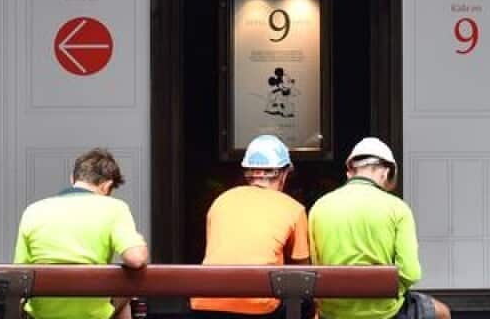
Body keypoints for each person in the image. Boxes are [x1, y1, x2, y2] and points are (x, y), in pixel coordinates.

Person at [308, 137, 451, 319]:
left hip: (333, 312)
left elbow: (313, 267)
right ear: (385, 173)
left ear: (350, 173)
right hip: (385, 312)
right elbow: (410, 273)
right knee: (442, 313)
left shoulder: (319, 207)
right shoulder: (397, 208)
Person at [14, 148, 149, 319]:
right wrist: (139, 242)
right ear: (107, 186)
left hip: (42, 314)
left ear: (73, 178)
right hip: (92, 314)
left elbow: (18, 273)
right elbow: (136, 259)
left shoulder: (32, 210)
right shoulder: (115, 208)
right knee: (126, 292)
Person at [192, 134, 312, 319]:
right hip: (258, 307)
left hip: (205, 302)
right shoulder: (293, 208)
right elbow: (303, 272)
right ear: (284, 173)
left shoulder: (221, 201)